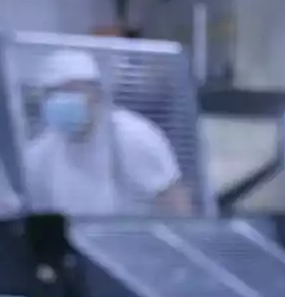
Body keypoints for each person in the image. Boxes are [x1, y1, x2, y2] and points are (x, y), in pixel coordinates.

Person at [22, 49, 193, 216]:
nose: (60, 99)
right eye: (52, 93)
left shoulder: (133, 136)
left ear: (95, 94)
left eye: (70, 90)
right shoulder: (42, 150)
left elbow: (176, 206)